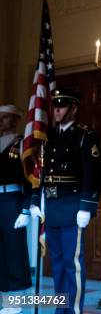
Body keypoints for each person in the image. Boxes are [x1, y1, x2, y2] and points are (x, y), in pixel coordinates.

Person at [29, 89, 101, 314]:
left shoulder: (84, 135)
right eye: (55, 105)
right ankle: (61, 309)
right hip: (52, 205)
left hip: (72, 205)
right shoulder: (49, 136)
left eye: (62, 105)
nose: (57, 110)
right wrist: (35, 200)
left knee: (73, 265)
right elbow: (41, 171)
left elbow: (92, 173)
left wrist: (86, 206)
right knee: (58, 262)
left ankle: (74, 311)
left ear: (74, 109)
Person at [0, 105, 31, 314]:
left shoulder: (21, 144)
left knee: (14, 251)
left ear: (15, 120)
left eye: (5, 118)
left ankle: (14, 302)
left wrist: (26, 207)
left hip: (12, 199)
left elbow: (30, 178)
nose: (1, 121)